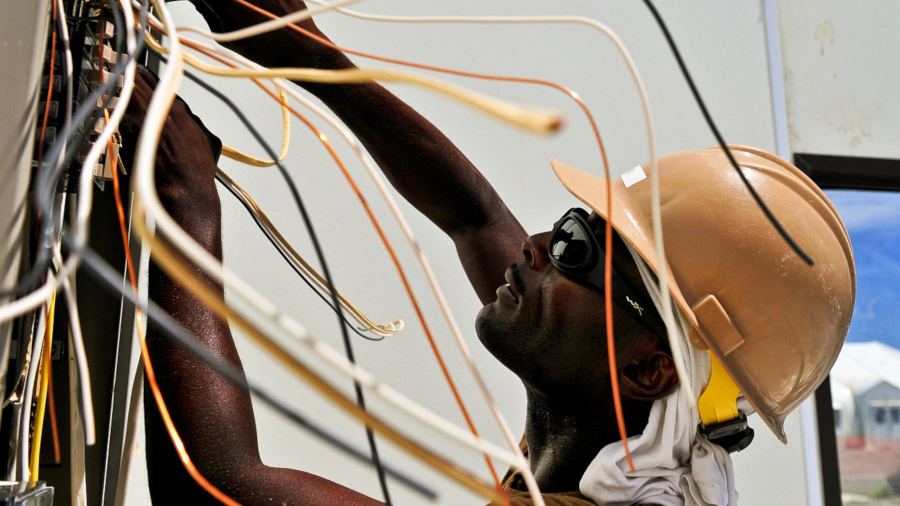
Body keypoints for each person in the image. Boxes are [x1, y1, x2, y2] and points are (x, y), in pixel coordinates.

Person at [120, 1, 856, 504]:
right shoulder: (620, 443)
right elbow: (473, 214)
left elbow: (217, 486)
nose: (536, 245)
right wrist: (296, 44)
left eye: (573, 250)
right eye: (570, 223)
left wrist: (185, 206)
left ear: (644, 367)